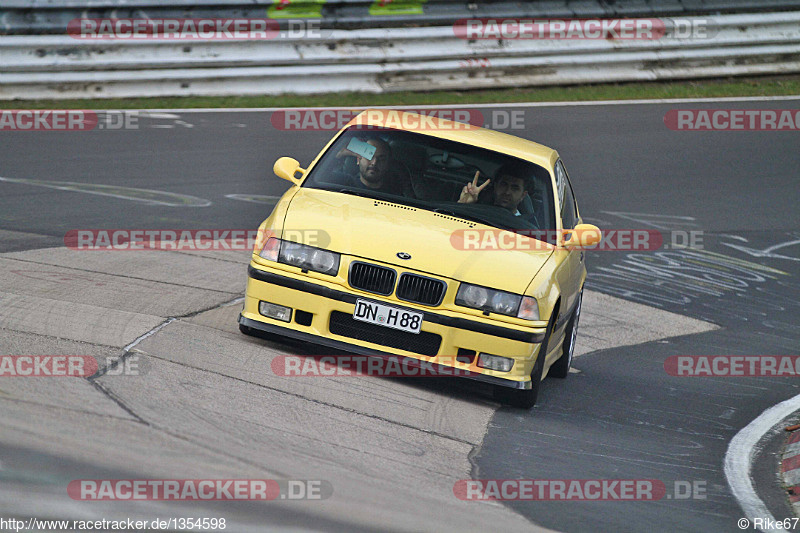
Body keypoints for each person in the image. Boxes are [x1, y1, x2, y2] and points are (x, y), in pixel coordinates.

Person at [457, 161, 533, 216]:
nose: (507, 192)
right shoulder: (477, 213)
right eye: (504, 185)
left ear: (523, 195)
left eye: (515, 188)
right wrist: (463, 205)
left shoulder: (523, 227)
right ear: (495, 186)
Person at [332, 138, 403, 195]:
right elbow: (322, 176)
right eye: (369, 157)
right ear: (358, 159)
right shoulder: (342, 184)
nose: (374, 163)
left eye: (381, 159)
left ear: (388, 164)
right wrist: (337, 156)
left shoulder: (395, 195)